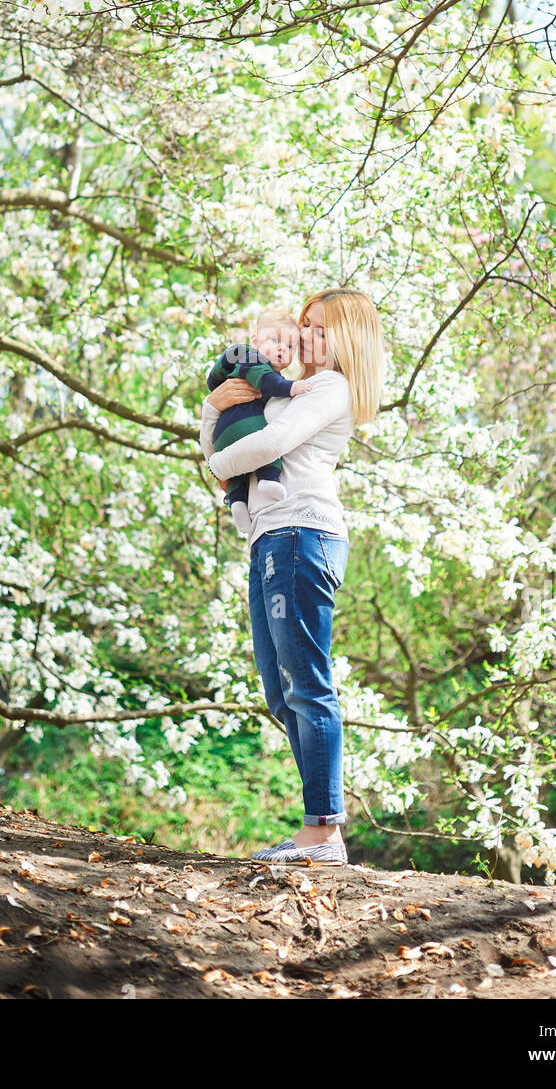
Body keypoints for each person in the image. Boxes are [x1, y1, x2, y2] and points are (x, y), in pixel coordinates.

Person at [199, 288, 386, 865]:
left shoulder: (331, 387)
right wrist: (214, 408)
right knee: (281, 695)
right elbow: (228, 436)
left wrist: (215, 463)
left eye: (323, 329)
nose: (308, 338)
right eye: (305, 326)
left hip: (303, 534)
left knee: (307, 684)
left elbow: (268, 446)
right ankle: (318, 829)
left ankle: (323, 831)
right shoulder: (281, 386)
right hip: (269, 536)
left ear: (349, 339)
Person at [205, 308, 313, 537]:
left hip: (223, 434)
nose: (282, 348)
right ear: (254, 340)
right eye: (275, 340)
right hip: (243, 424)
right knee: (267, 435)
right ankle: (268, 479)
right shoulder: (253, 359)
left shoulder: (242, 359)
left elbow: (213, 377)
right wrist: (292, 388)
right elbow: (267, 382)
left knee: (239, 474)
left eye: (290, 346)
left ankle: (237, 503)